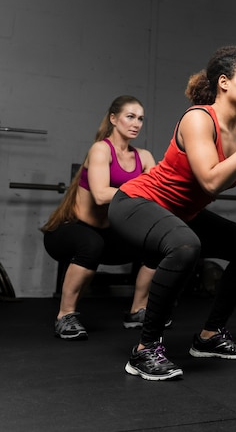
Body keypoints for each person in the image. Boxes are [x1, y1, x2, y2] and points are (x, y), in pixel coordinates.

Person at [108, 45, 236, 381]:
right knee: (185, 244)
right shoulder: (198, 119)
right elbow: (210, 180)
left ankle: (210, 336)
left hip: (180, 215)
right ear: (224, 82)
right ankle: (145, 351)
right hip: (136, 203)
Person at [42, 95, 157, 340]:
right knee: (91, 244)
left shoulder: (144, 157)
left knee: (155, 245)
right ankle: (65, 316)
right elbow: (101, 195)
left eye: (140, 119)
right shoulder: (101, 150)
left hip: (106, 236)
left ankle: (137, 311)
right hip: (68, 231)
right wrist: (141, 193)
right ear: (114, 119)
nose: (136, 123)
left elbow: (158, 194)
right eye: (130, 116)